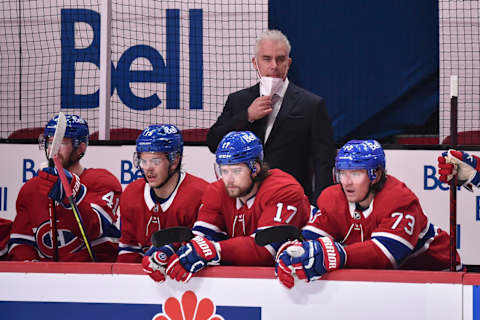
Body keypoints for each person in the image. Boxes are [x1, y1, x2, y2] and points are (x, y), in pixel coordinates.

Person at [275, 140, 461, 289]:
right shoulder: (332, 198)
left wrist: (335, 254)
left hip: (438, 275)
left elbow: (385, 254)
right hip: (391, 279)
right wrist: (293, 252)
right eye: (342, 173)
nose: (346, 182)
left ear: (376, 175)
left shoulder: (400, 199)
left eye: (355, 173)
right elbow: (310, 239)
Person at [160, 131, 311, 283]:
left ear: (255, 168)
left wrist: (215, 250)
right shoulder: (217, 190)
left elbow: (266, 250)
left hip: (302, 280)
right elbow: (203, 237)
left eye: (236, 171)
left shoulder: (283, 189)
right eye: (224, 171)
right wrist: (171, 250)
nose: (229, 179)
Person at [206, 29, 336, 203]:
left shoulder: (311, 105)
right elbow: (214, 142)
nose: (274, 65)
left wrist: (320, 206)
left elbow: (324, 163)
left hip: (290, 200)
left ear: (288, 63)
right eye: (266, 59)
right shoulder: (238, 101)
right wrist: (247, 116)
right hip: (244, 201)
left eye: (280, 59)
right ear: (255, 62)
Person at [8, 114, 121, 262]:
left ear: (81, 147)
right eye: (49, 142)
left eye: (61, 142)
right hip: (47, 281)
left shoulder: (102, 181)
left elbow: (97, 228)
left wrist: (73, 195)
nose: (52, 149)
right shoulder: (30, 189)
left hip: (95, 278)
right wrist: (31, 269)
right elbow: (21, 242)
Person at [117, 124, 208, 282]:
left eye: (155, 161)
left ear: (174, 160)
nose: (148, 169)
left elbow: (205, 246)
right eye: (144, 161)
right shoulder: (131, 195)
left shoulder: (201, 194)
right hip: (146, 284)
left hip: (192, 283)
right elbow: (129, 251)